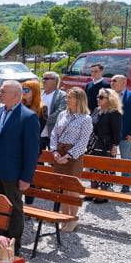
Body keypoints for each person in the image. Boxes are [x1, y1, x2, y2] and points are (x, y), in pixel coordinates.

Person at [0, 80, 40, 255]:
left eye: (3, 91)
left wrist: (26, 177)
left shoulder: (28, 117)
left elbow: (31, 151)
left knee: (15, 209)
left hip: (14, 174)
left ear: (16, 95)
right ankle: (1, 242)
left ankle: (13, 246)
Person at [49, 87, 92, 224]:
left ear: (79, 100)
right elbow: (54, 133)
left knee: (72, 189)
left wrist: (67, 156)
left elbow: (83, 142)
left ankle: (73, 220)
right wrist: (54, 151)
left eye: (70, 97)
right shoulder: (62, 114)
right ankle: (64, 217)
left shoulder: (86, 119)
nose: (67, 99)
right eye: (67, 96)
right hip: (59, 151)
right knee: (62, 188)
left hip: (74, 155)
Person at [87, 88, 123, 200]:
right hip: (93, 144)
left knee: (104, 170)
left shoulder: (114, 113)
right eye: (98, 97)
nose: (98, 99)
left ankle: (103, 195)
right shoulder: (96, 110)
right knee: (93, 168)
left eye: (101, 97)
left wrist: (115, 146)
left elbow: (117, 132)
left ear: (109, 99)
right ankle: (92, 192)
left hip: (106, 146)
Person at [110, 75, 131, 193]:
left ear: (124, 82)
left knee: (126, 159)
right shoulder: (108, 95)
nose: (111, 83)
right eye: (111, 81)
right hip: (110, 134)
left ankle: (126, 184)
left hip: (126, 135)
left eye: (114, 81)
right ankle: (109, 181)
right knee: (110, 158)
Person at [40, 71, 66, 150]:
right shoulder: (40, 94)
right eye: (43, 78)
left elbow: (60, 112)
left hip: (53, 132)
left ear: (55, 81)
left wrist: (43, 121)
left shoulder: (62, 95)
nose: (43, 81)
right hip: (40, 132)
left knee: (53, 155)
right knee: (39, 155)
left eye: (46, 79)